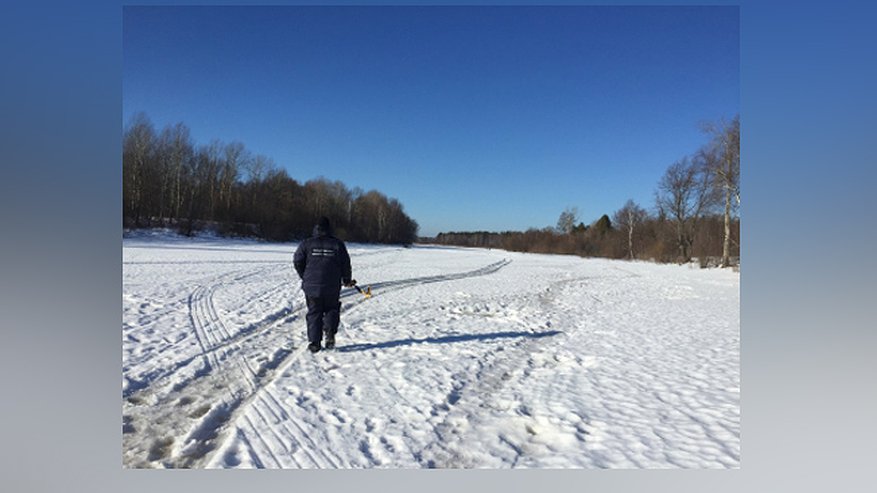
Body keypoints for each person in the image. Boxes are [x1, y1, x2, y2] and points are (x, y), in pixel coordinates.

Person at [293, 217, 353, 353]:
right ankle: (330, 334)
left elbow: (297, 261)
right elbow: (345, 264)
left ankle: (315, 343)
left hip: (312, 286)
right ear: (329, 228)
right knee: (332, 309)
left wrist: (305, 276)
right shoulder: (337, 244)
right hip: (332, 285)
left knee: (314, 312)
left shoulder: (306, 244)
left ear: (316, 228)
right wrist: (346, 278)